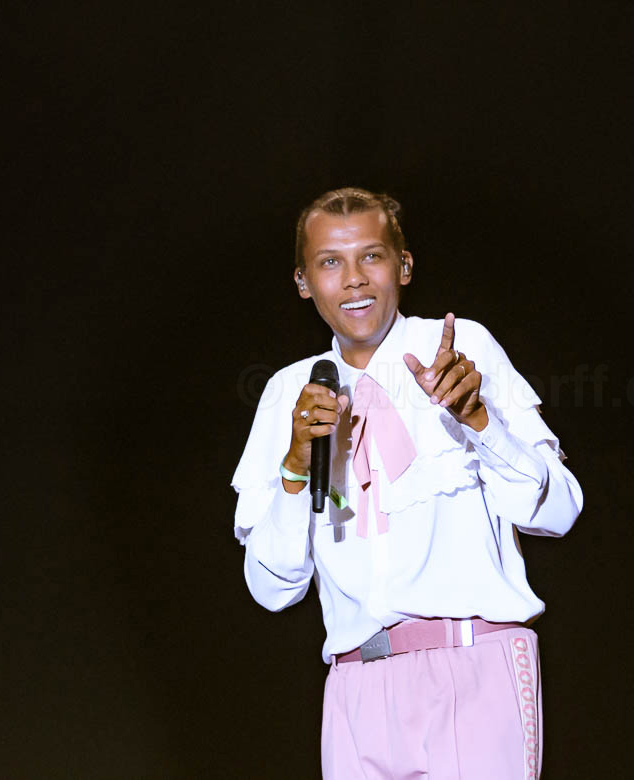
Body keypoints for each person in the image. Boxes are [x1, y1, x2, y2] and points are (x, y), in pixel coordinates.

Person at [231, 187, 582, 779]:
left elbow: (559, 511)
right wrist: (294, 466)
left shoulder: (461, 350)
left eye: (371, 256)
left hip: (471, 665)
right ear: (302, 281)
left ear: (404, 265)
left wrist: (480, 422)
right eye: (330, 262)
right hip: (355, 685)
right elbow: (272, 589)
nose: (354, 279)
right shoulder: (288, 393)